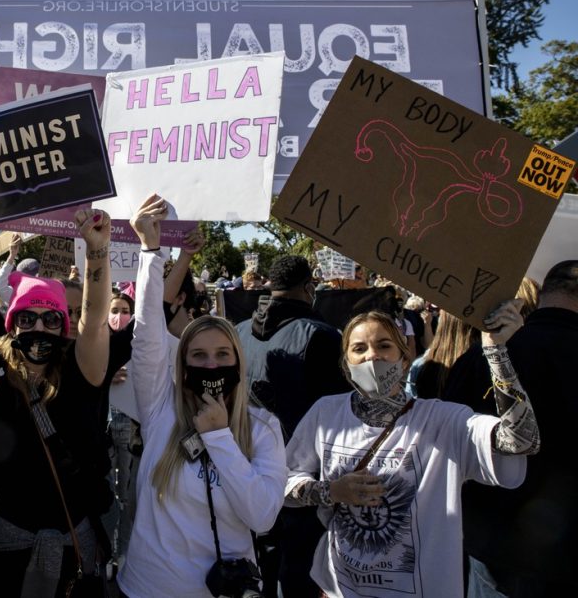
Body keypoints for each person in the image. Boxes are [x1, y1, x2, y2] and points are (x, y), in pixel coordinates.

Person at [285, 304, 539, 598]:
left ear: (405, 359)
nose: (372, 356)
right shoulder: (326, 413)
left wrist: (497, 354)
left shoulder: (441, 420)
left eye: (384, 345)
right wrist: (331, 492)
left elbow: (521, 441)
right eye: (359, 349)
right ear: (346, 364)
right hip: (340, 587)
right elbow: (285, 482)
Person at [118, 194, 284, 597]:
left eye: (222, 355)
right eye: (199, 356)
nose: (211, 365)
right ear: (183, 363)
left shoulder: (263, 427)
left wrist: (219, 438)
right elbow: (147, 337)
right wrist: (150, 251)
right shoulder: (161, 409)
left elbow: (262, 517)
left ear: (239, 363)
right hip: (145, 589)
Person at [0, 207, 115, 597]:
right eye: (27, 319)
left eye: (51, 321)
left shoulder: (84, 374)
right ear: (12, 325)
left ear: (65, 328)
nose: (39, 328)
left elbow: (96, 320)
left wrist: (97, 250)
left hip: (70, 552)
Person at [442, 261, 577, 596]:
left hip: (493, 545)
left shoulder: (481, 357)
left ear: (544, 295)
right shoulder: (489, 356)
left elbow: (448, 442)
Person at [236, 254, 346, 598]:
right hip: (303, 476)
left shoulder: (238, 331)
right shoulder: (323, 337)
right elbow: (340, 414)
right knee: (298, 572)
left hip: (251, 468)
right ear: (308, 287)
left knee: (262, 560)